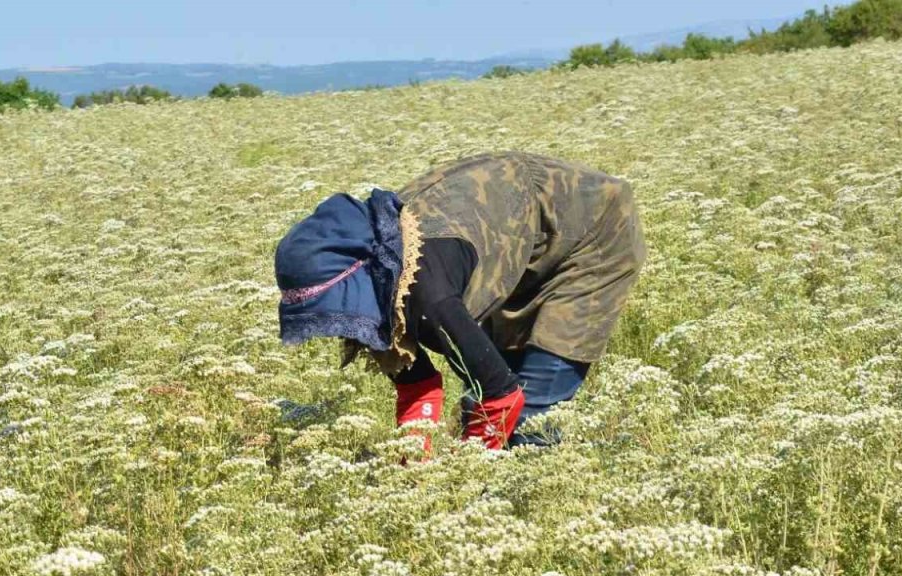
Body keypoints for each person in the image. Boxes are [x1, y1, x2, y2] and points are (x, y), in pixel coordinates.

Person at [274, 151, 645, 451]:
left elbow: (502, 398)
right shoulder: (379, 272)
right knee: (479, 399)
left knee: (531, 418)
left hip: (588, 233)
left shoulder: (427, 293)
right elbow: (418, 389)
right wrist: (407, 470)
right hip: (517, 235)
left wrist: (461, 481)